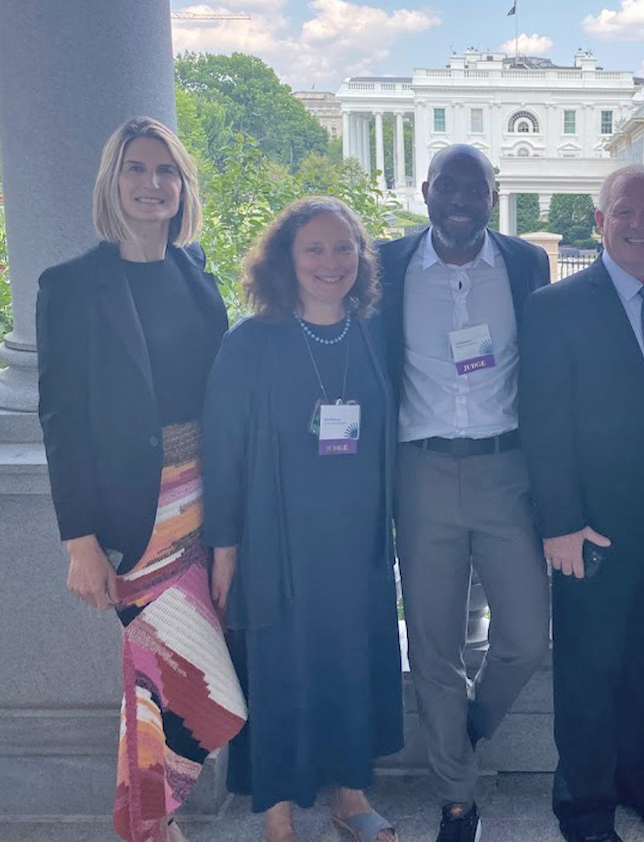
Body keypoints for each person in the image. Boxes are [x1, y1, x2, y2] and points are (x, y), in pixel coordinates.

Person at [36, 116, 246, 842]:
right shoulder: (70, 286)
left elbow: (223, 392)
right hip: (134, 514)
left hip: (204, 499)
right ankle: (151, 823)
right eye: (135, 169)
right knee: (158, 668)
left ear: (182, 185)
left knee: (171, 671)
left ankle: (148, 818)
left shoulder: (198, 274)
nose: (151, 184)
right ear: (111, 181)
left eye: (165, 171)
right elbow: (61, 422)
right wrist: (79, 542)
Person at [520, 164, 644, 842]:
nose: (638, 224)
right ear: (601, 222)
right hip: (594, 528)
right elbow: (544, 424)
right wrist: (560, 523)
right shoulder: (558, 306)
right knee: (588, 670)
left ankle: (642, 782)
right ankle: (584, 807)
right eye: (624, 212)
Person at [202, 197, 403, 842]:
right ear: (286, 260)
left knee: (352, 661)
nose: (331, 262)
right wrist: (225, 549)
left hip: (356, 541)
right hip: (277, 538)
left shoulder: (373, 333)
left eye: (344, 247)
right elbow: (223, 450)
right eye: (313, 249)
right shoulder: (250, 342)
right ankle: (279, 813)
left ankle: (351, 796)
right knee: (281, 669)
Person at [376, 144, 550, 842]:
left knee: (524, 638)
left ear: (492, 195)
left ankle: (467, 726)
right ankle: (456, 797)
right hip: (419, 473)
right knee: (433, 643)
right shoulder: (386, 267)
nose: (459, 199)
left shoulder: (524, 264)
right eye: (447, 186)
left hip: (506, 471)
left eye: (473, 188)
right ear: (425, 191)